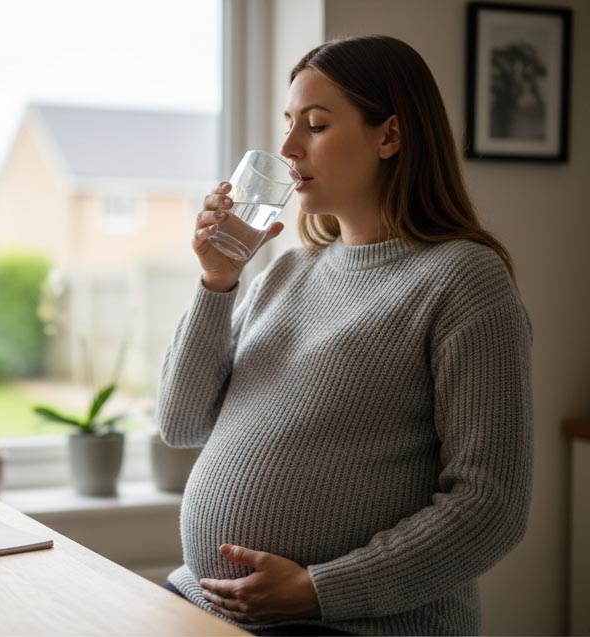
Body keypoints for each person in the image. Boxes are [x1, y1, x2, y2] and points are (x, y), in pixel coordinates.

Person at [156, 35, 532, 636]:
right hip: (201, 603)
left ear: (389, 136)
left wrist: (318, 591)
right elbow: (180, 424)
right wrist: (217, 281)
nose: (288, 148)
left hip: (347, 624)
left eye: (316, 125)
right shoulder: (288, 271)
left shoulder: (463, 280)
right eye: (288, 124)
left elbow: (490, 505)